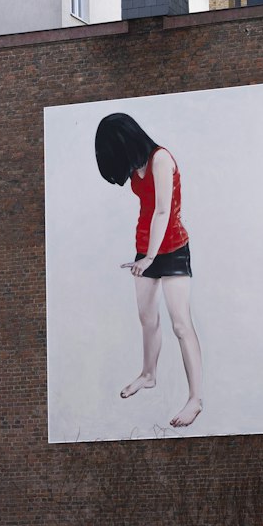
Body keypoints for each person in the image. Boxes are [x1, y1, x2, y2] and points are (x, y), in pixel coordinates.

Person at [94, 112, 203, 426]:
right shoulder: (136, 168)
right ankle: (148, 374)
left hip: (172, 249)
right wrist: (144, 255)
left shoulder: (161, 160)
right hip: (146, 249)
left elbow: (162, 211)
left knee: (181, 324)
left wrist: (150, 259)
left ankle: (195, 399)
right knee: (146, 317)